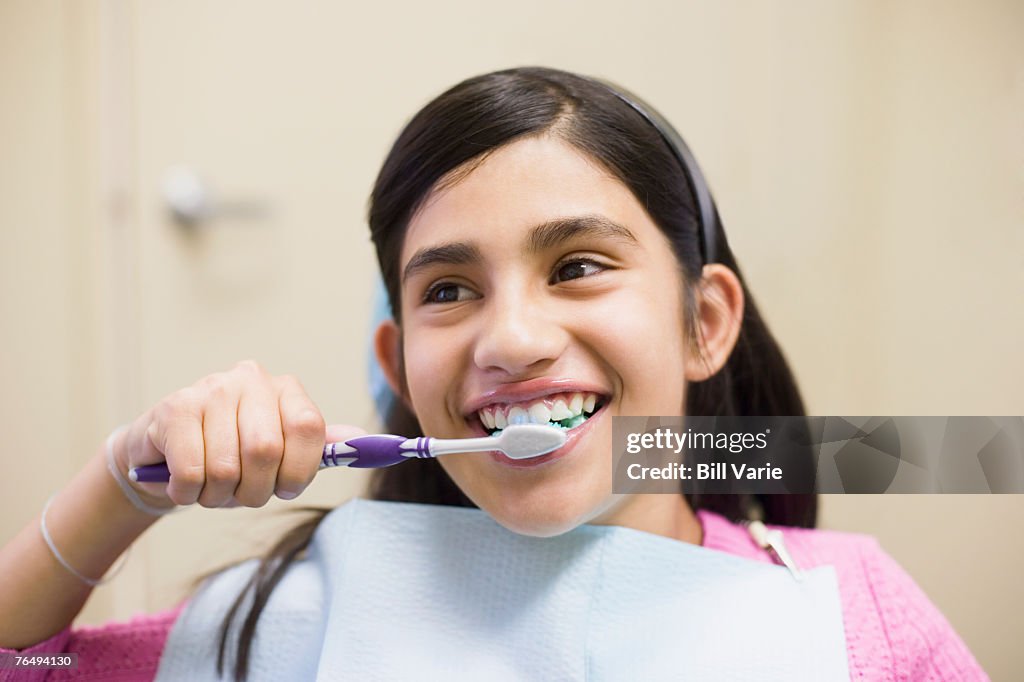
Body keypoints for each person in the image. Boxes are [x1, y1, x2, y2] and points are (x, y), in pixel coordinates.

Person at [0, 66, 985, 681]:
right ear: (396, 365)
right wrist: (123, 481)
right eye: (448, 290)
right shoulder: (299, 607)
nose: (509, 337)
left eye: (578, 267)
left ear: (704, 320)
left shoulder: (850, 608)